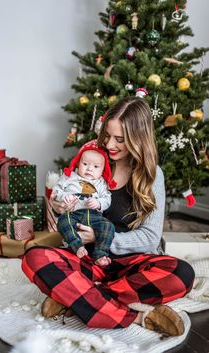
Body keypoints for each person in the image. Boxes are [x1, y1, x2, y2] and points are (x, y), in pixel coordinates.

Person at [22, 96, 195, 336]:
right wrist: (60, 206)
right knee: (35, 257)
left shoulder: (152, 174)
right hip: (88, 260)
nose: (110, 144)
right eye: (107, 135)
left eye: (120, 140)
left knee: (182, 274)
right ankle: (138, 317)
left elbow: (150, 238)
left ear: (137, 139)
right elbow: (68, 194)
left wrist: (100, 238)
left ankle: (78, 296)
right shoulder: (94, 160)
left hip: (131, 264)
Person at [53, 140, 116, 267]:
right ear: (78, 162)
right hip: (74, 214)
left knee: (109, 227)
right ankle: (77, 246)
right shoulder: (69, 176)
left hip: (94, 216)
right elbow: (56, 190)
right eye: (85, 164)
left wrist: (98, 203)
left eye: (96, 166)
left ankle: (100, 254)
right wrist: (64, 196)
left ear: (103, 169)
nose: (89, 169)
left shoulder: (101, 182)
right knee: (63, 221)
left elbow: (107, 198)